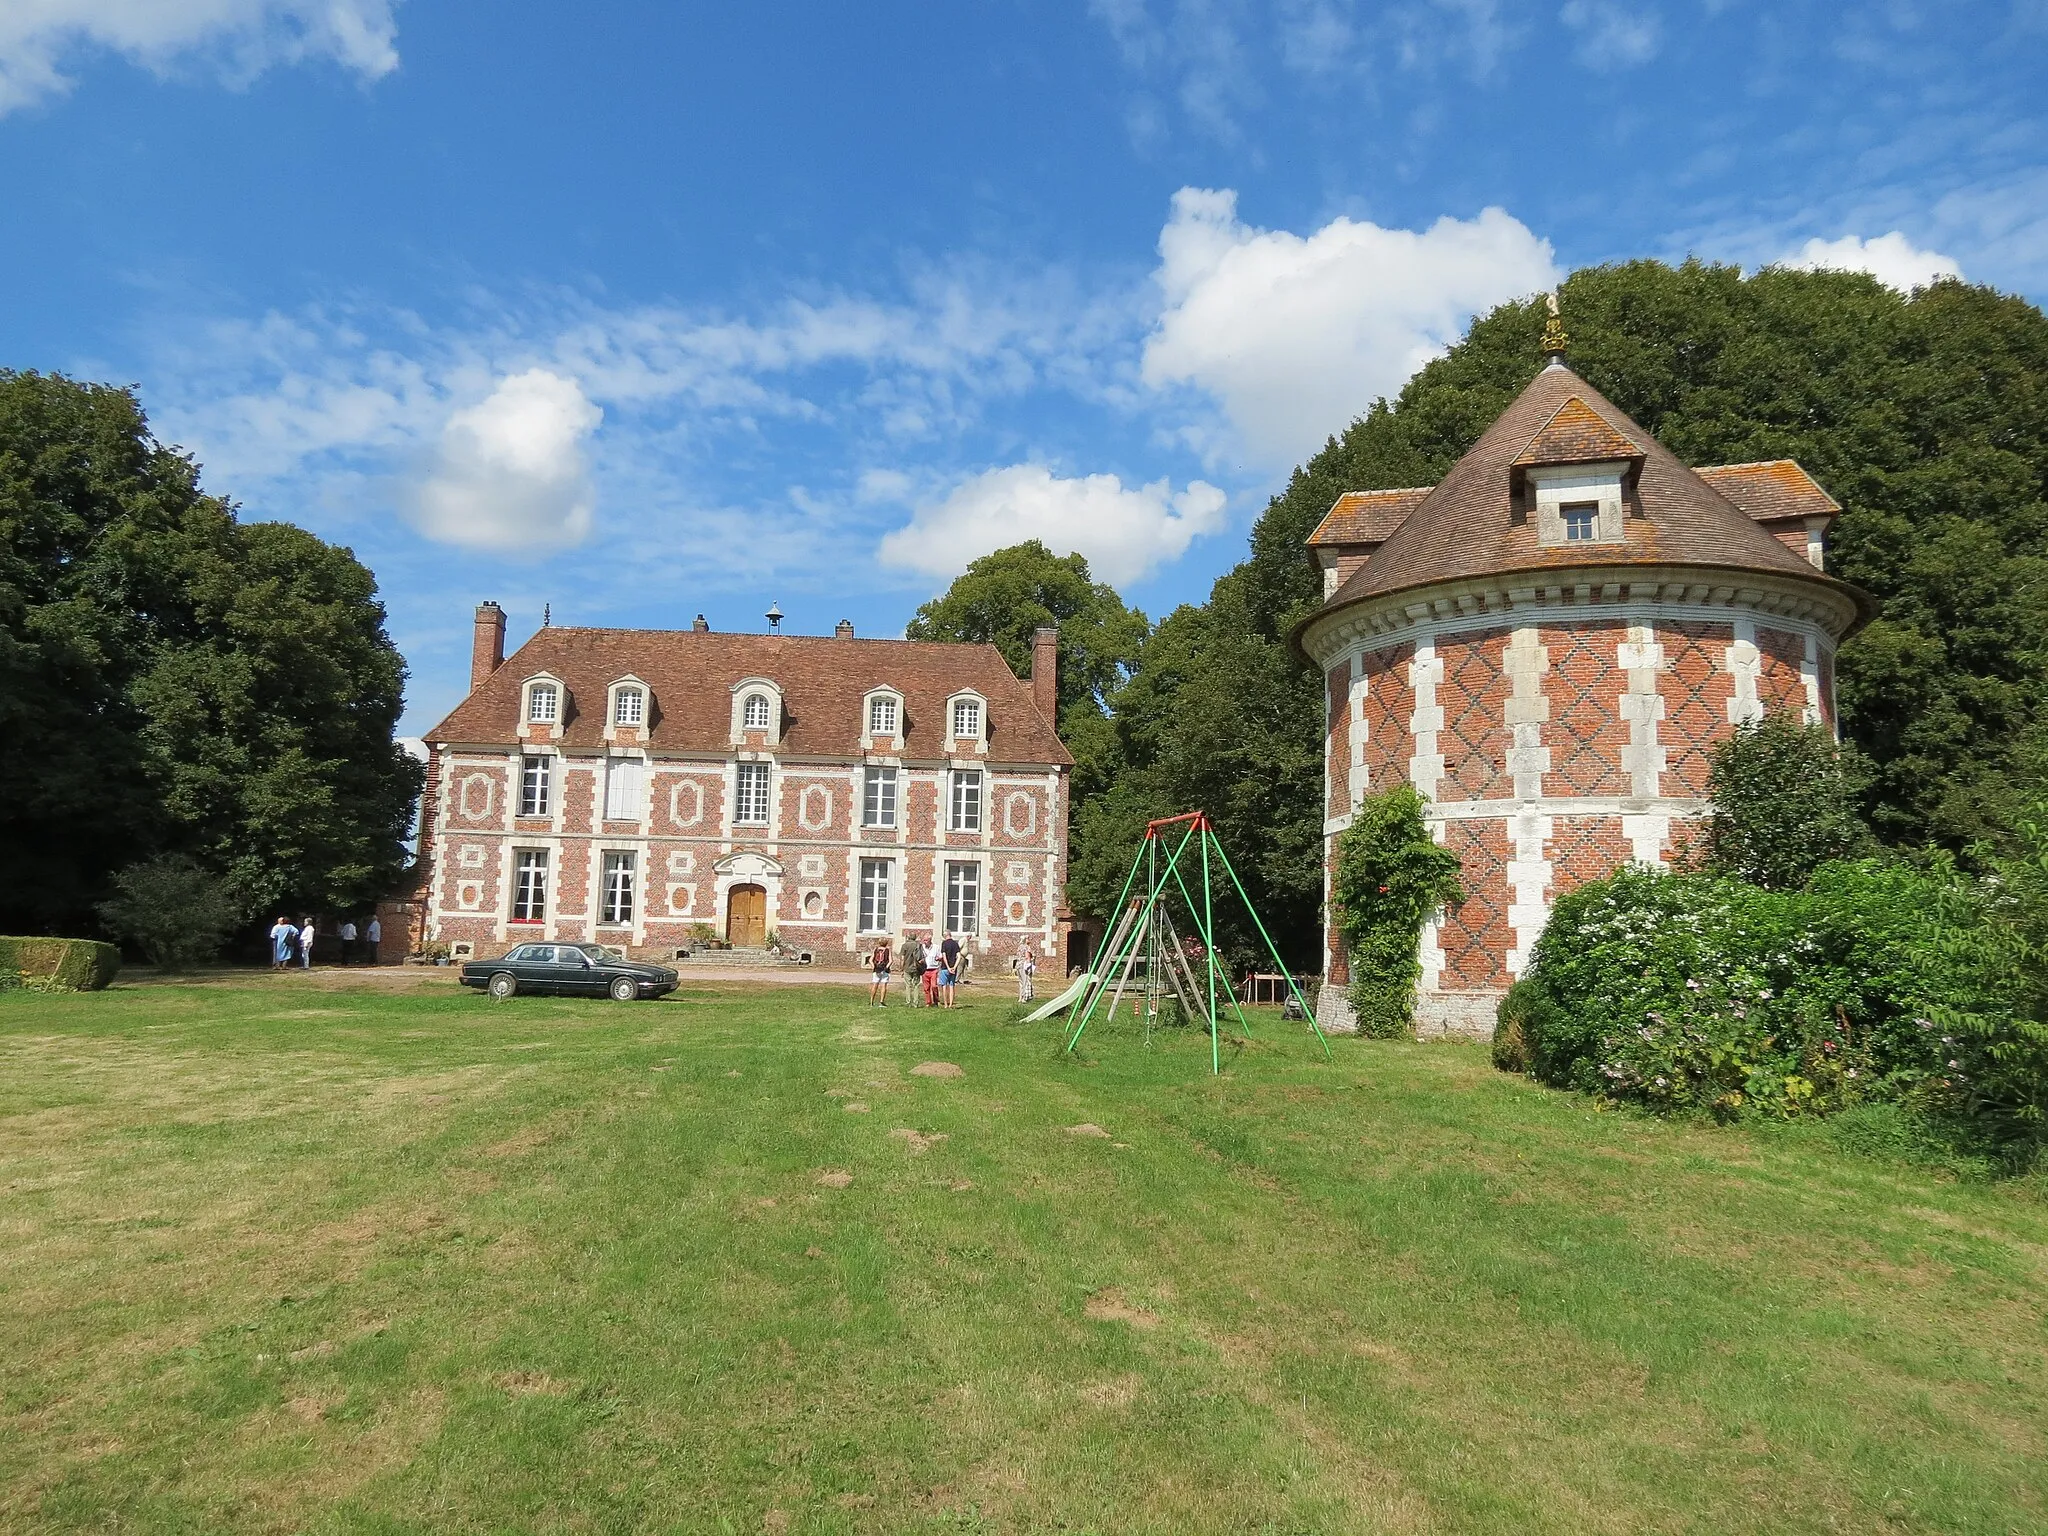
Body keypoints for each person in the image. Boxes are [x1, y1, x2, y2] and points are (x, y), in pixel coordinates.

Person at [899, 931, 925, 1007]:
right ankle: (916, 1002)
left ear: (908, 937)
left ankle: (908, 1001)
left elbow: (902, 958)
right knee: (916, 985)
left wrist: (901, 968)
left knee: (908, 985)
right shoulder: (918, 945)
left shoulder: (904, 945)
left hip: (907, 967)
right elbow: (922, 956)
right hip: (916, 967)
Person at [868, 939, 892, 1007]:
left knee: (875, 985)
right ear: (886, 943)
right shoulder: (887, 950)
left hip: (876, 969)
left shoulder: (876, 949)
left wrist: (873, 966)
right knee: (883, 985)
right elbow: (890, 961)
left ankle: (871, 1001)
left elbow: (870, 960)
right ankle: (881, 1002)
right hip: (884, 969)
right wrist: (887, 967)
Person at [1016, 940, 1037, 1004]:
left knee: (1021, 982)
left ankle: (1020, 997)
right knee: (1025, 982)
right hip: (1023, 966)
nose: (1029, 940)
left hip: (1018, 965)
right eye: (1028, 938)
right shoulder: (1027, 947)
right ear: (1025, 940)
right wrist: (1029, 966)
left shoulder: (1019, 947)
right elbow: (1027, 957)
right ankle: (1024, 998)